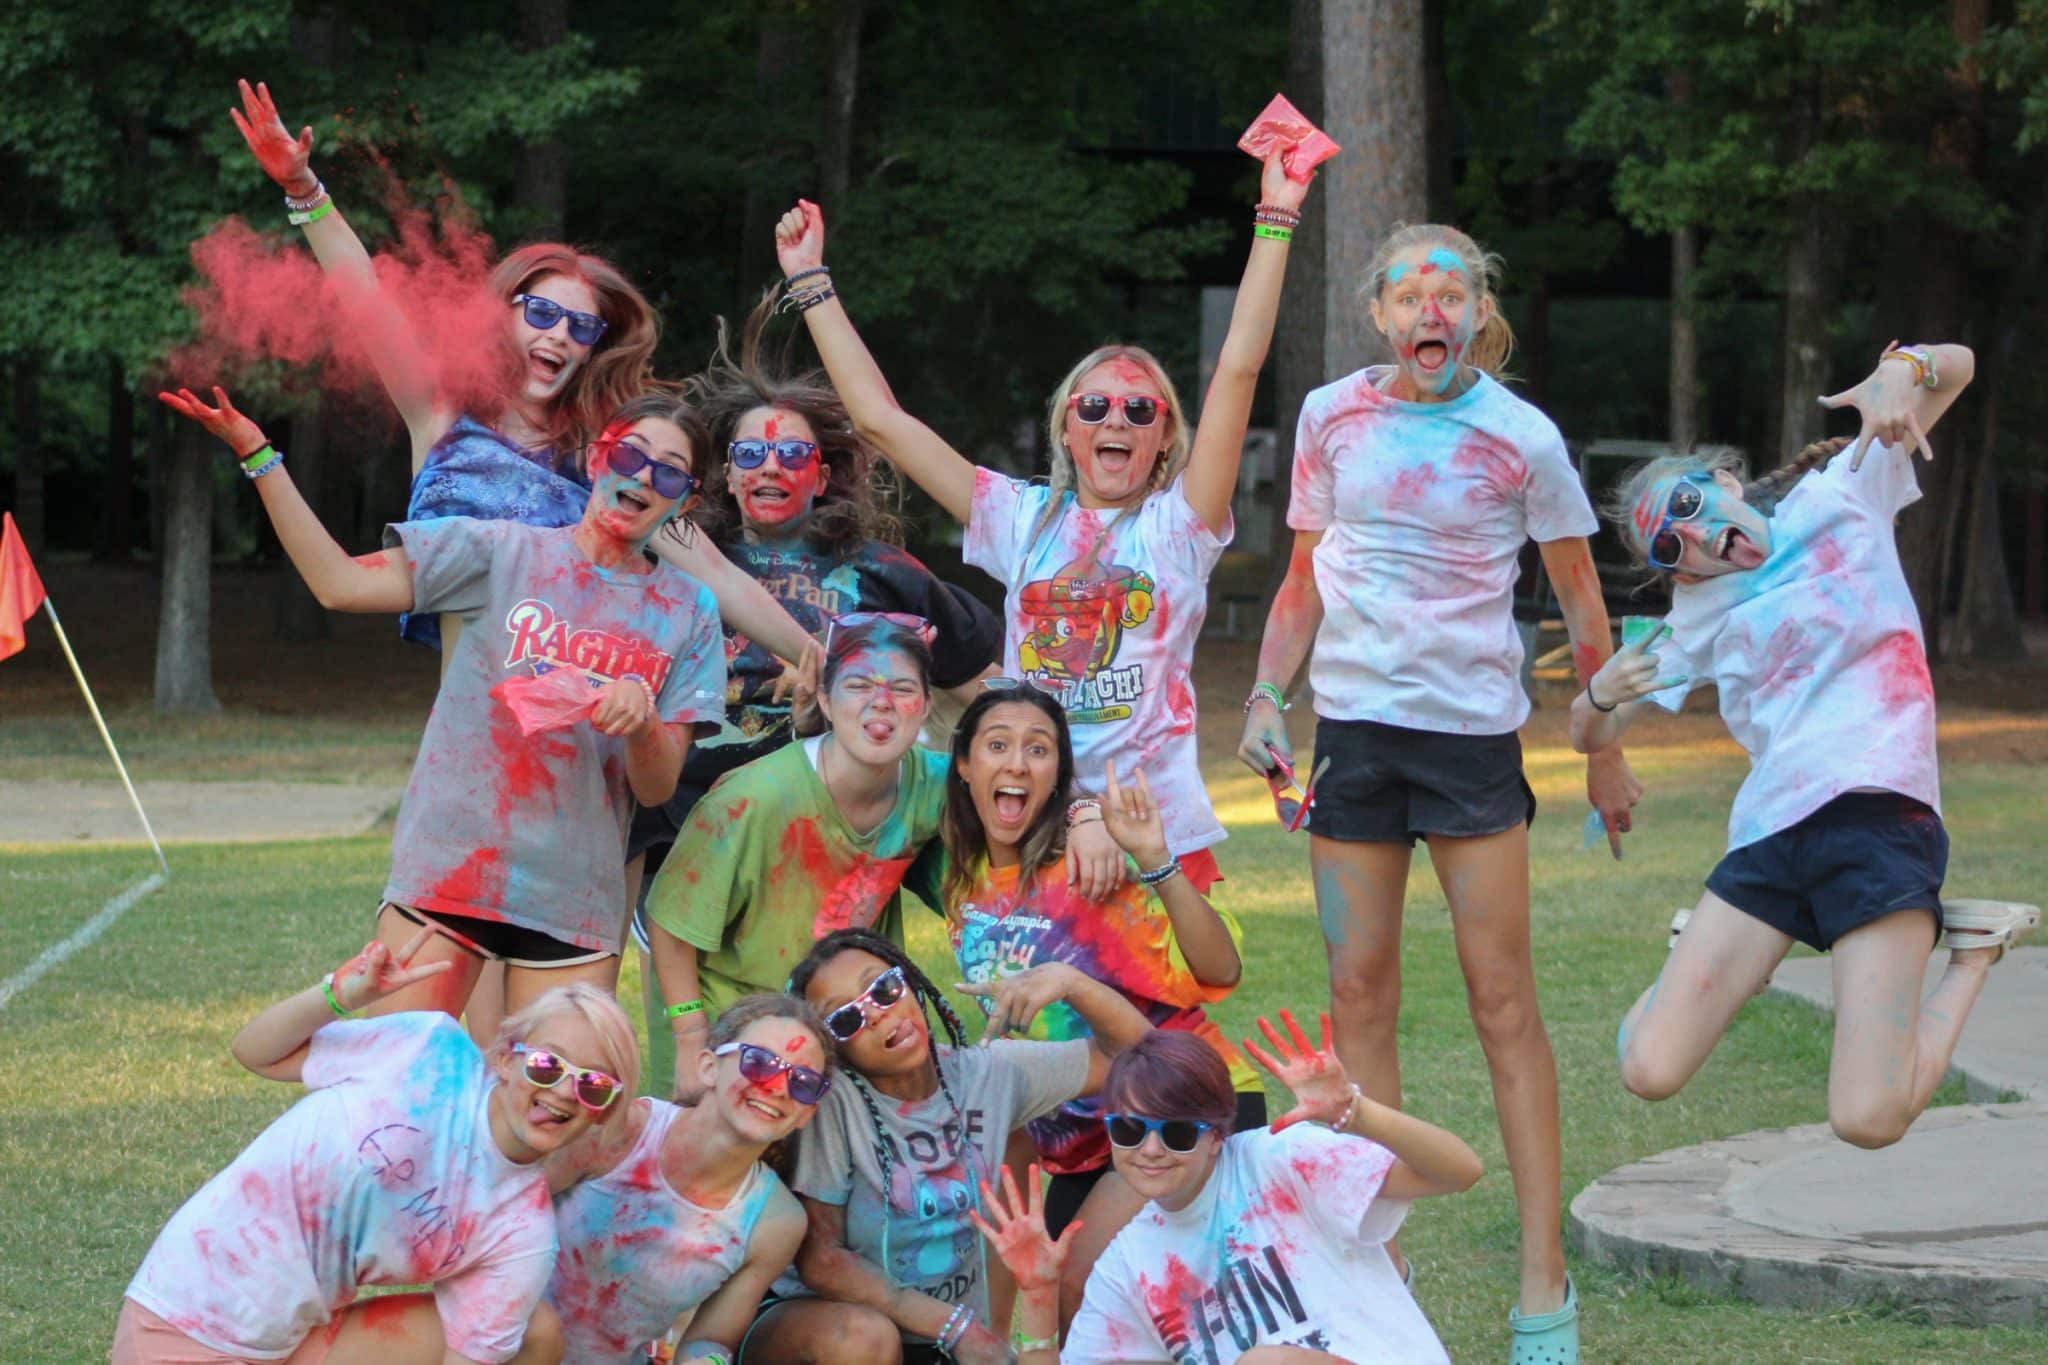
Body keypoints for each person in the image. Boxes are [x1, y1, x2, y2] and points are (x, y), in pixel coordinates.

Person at [1238, 222, 1635, 1356]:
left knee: (1500, 1000)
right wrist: (1269, 694)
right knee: (1355, 996)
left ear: (1475, 314)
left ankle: (1541, 1280)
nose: (1430, 310)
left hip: (1470, 743)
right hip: (1353, 738)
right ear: (1377, 316)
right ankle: (1378, 1263)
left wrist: (1600, 747)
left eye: (1449, 294)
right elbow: (1302, 578)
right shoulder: (1330, 415)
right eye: (1409, 295)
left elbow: (1577, 598)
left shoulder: (1519, 436)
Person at [774, 145, 1318, 902]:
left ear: (1166, 436)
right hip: (1031, 818)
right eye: (1092, 407)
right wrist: (810, 281)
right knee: (1036, 1019)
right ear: (1068, 430)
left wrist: (1277, 217)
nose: (1115, 418)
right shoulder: (1023, 518)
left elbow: (1238, 368)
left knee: (1153, 1024)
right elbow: (882, 421)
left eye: (1140, 409)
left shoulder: (1180, 525)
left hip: (1154, 829)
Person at [1578, 341, 2039, 1148]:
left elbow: (1961, 364)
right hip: (1771, 834)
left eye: (1687, 508)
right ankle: (1715, 953)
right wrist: (1596, 698)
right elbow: (1593, 732)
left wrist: (1906, 373)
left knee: (1867, 1117)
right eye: (1665, 549)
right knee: (1645, 1068)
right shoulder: (1693, 615)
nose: (1688, 542)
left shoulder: (1845, 493)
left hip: (1881, 816)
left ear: (1724, 481)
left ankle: (1975, 951)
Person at [159, 385, 725, 1019]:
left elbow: (656, 790)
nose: (643, 476)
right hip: (453, 865)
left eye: (669, 471)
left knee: (555, 1104)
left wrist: (644, 723)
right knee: (396, 1080)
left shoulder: (688, 611)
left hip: (574, 898)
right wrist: (257, 454)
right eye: (630, 455)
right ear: (597, 459)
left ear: (687, 499)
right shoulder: (499, 550)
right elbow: (338, 584)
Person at [625, 299, 1003, 1090]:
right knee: (707, 1078)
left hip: (842, 839)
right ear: (721, 472)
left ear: (824, 474)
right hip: (694, 836)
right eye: (749, 453)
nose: (769, 468)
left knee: (841, 1058)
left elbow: (984, 692)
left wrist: (1029, 769)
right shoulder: (675, 553)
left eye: (792, 453)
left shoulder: (884, 571)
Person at [116, 931, 639, 1365]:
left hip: (301, 1343)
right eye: (548, 1066)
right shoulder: (428, 1052)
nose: (563, 1092)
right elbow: (256, 1052)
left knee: (537, 1331)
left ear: (604, 1109)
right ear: (506, 1060)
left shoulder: (521, 1232)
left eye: (593, 1085)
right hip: (184, 1320)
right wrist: (339, 995)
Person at [936, 685, 1258, 1323]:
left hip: (1182, 1106)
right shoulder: (960, 879)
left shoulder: (1090, 871)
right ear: (965, 765)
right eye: (997, 745)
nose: (1018, 764)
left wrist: (1156, 860)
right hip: (1083, 1142)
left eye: (1039, 749)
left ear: (1058, 775)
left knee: (1079, 1287)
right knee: (1048, 1301)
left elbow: (1220, 973)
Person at [743, 929, 1151, 1364]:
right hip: (824, 1334)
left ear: (911, 984)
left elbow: (1146, 1055)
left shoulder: (989, 1075)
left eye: (883, 989)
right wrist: (957, 1326)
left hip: (936, 1342)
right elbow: (821, 1261)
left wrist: (1072, 983)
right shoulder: (836, 1104)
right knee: (866, 1338)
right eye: (845, 1019)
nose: (877, 1015)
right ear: (833, 1048)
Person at [979, 1019, 1483, 1365]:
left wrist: (1355, 1113)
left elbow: (1460, 1171)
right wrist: (1040, 1297)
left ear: (1218, 1134)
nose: (1150, 1149)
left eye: (1176, 1132)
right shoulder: (1125, 1265)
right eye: (1129, 1129)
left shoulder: (1280, 1159)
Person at [643, 616, 948, 1087]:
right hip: (730, 1034)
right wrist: (689, 1038)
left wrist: (1086, 815)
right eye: (859, 685)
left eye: (903, 689)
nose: (881, 702)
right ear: (824, 699)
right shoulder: (750, 801)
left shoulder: (934, 783)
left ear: (926, 705)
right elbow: (670, 926)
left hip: (844, 1031)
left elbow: (1020, 781)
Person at [541, 994, 834, 1365]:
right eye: (759, 1063)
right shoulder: (621, 1132)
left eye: (803, 1081)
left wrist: (706, 1361)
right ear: (709, 1067)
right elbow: (499, 1212)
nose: (777, 1087)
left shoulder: (776, 1222)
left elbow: (710, 1340)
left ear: (808, 1112)